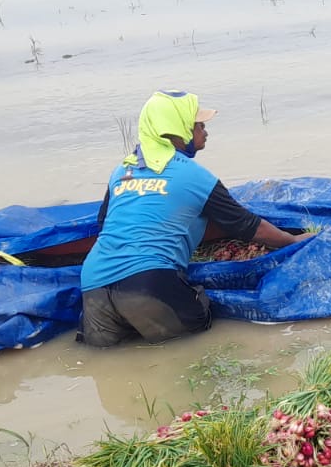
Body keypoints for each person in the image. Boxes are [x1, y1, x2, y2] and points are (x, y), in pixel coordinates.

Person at [78, 90, 296, 347]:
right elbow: (248, 226)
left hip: (93, 282)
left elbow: (104, 225)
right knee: (194, 338)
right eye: (199, 125)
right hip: (147, 283)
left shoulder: (123, 170)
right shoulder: (194, 176)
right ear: (178, 131)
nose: (206, 132)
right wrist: (293, 240)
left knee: (107, 365)